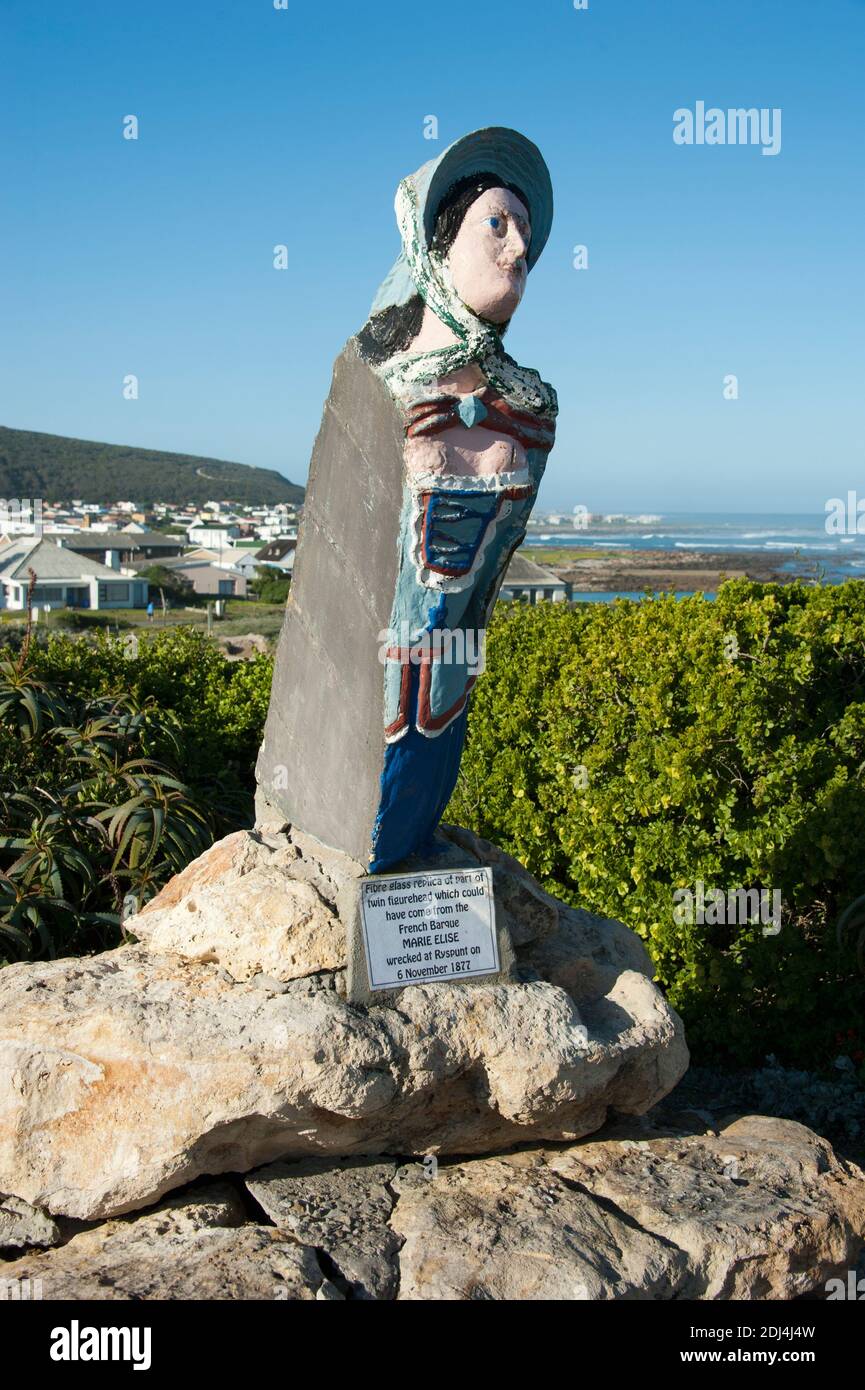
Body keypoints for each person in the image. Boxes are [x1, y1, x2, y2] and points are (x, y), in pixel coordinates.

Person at [355, 128, 558, 871]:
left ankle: (403, 839)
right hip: (368, 686)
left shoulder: (528, 403)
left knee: (427, 752)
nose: (517, 253)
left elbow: (488, 579)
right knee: (380, 760)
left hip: (447, 670)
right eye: (496, 225)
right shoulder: (377, 380)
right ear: (433, 242)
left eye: (526, 237)